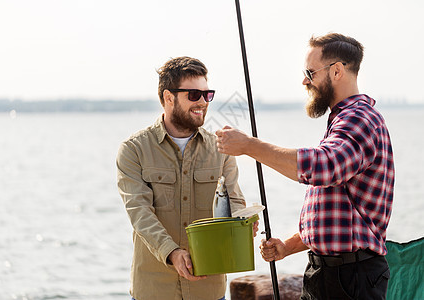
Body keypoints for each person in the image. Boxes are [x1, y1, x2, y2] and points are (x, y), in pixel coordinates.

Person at [216, 33, 394, 299]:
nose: (304, 80)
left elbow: (324, 166)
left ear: (336, 71)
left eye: (310, 72)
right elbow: (337, 216)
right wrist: (288, 246)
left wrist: (249, 146)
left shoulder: (359, 118)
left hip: (351, 278)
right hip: (328, 274)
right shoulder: (344, 120)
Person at [116, 56, 247, 300]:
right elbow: (139, 213)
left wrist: (243, 225)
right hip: (153, 291)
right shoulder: (134, 150)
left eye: (207, 95)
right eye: (194, 95)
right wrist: (173, 253)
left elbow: (236, 203)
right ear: (168, 98)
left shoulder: (222, 150)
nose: (203, 103)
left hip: (209, 292)